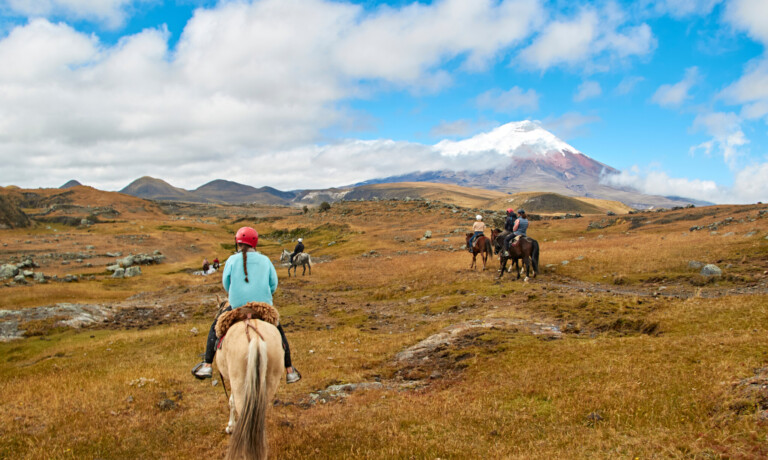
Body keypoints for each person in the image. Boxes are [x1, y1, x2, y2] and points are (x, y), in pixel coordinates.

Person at [192, 226, 301, 384]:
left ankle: (207, 365)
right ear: (254, 243)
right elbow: (273, 285)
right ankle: (290, 370)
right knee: (279, 331)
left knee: (215, 326)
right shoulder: (265, 260)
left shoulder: (231, 260)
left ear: (238, 243)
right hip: (262, 307)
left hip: (238, 307)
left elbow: (226, 283)